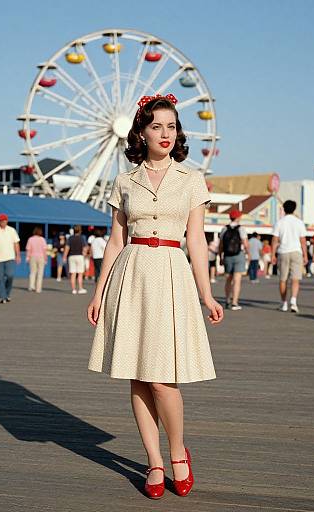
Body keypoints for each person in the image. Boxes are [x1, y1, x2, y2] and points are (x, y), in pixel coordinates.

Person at [87, 93, 223, 500]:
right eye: (156, 126)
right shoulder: (124, 181)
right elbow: (114, 240)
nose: (166, 133)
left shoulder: (190, 179)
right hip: (131, 272)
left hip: (171, 271)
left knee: (163, 379)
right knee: (138, 374)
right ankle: (154, 460)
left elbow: (196, 240)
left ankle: (178, 452)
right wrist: (98, 291)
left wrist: (207, 293)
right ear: (141, 134)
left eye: (172, 126)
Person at [271, 200, 308, 313]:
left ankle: (284, 303)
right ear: (294, 209)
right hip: (296, 251)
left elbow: (275, 240)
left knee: (283, 279)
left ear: (284, 209)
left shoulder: (280, 222)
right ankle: (293, 301)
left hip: (283, 251)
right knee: (295, 279)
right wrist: (305, 255)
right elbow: (303, 240)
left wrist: (273, 254)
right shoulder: (299, 222)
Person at [0, 214, 21, 303]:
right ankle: (1, 296)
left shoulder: (12, 230)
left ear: (7, 221)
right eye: (1, 221)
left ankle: (7, 294)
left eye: (4, 221)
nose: (3, 222)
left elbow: (16, 243)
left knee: (10, 276)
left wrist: (18, 255)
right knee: (0, 278)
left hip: (10, 257)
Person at [218, 209, 249, 310]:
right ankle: (234, 303)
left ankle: (227, 300)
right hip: (238, 255)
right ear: (238, 217)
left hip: (227, 256)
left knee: (228, 279)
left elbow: (221, 245)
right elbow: (245, 243)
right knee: (237, 280)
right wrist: (249, 254)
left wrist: (220, 256)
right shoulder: (241, 229)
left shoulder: (224, 229)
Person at [64, 225, 88, 294]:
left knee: (73, 274)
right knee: (80, 274)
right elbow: (85, 248)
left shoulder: (70, 238)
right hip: (79, 256)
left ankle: (73, 289)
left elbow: (67, 247)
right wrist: (85, 254)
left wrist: (64, 256)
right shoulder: (82, 238)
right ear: (80, 230)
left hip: (71, 256)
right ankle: (80, 288)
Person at [26, 227, 48, 293]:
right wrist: (45, 258)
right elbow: (44, 250)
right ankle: (38, 289)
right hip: (41, 257)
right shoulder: (42, 239)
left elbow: (28, 249)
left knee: (32, 272)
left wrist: (27, 257)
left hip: (32, 256)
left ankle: (31, 286)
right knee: (40, 273)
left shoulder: (30, 239)